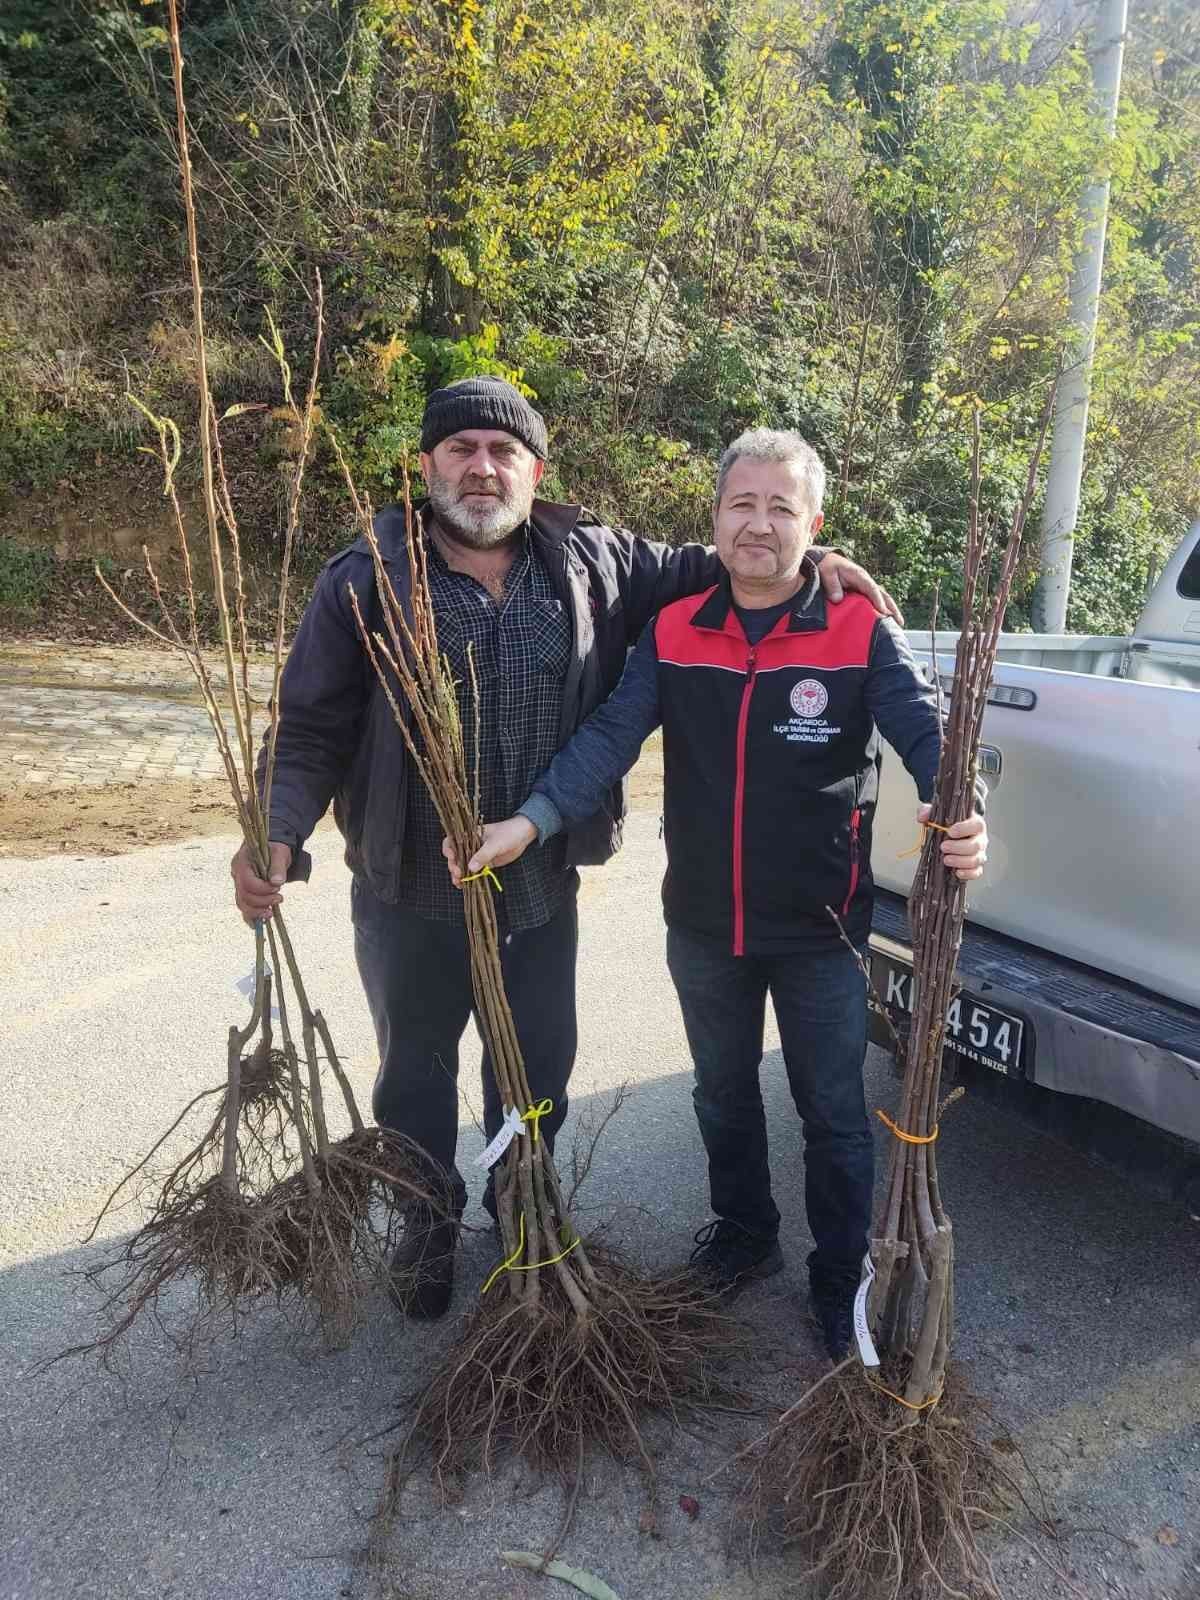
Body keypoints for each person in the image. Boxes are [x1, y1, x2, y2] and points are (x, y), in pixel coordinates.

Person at [231, 381, 900, 1320]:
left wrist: (814, 557)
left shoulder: (596, 561)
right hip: (409, 886)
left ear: (535, 473)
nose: (482, 467)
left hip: (538, 885)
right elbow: (306, 728)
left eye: (503, 452)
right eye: (461, 448)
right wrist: (279, 831)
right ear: (426, 466)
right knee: (413, 1077)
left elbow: (735, 560)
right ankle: (426, 1228)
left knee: (537, 1071)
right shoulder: (366, 576)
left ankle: (525, 1216)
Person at [447, 426, 987, 1360]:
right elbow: (610, 737)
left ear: (813, 526)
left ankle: (840, 1272)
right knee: (722, 1094)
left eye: (782, 508)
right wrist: (529, 820)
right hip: (702, 922)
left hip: (823, 927)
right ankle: (744, 1234)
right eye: (743, 504)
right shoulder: (677, 627)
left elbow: (928, 734)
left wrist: (965, 808)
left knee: (832, 1111)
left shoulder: (858, 630)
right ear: (716, 518)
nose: (759, 524)